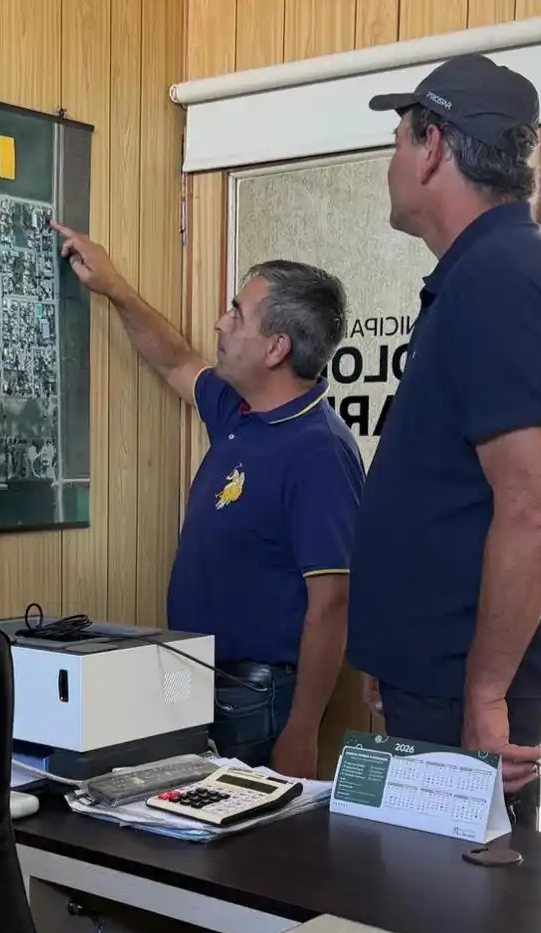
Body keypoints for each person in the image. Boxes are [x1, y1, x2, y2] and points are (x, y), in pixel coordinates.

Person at [348, 54, 541, 828]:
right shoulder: (484, 273)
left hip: (467, 684)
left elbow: (537, 509)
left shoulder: (497, 281)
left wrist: (484, 693)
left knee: (443, 915)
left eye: (399, 138)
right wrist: (395, 657)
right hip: (438, 673)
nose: (392, 160)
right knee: (421, 896)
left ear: (432, 145)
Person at [50, 221, 364, 779]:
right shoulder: (239, 413)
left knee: (246, 857)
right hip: (199, 680)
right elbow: (175, 361)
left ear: (276, 348)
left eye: (237, 314)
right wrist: (115, 286)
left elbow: (332, 603)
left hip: (258, 698)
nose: (221, 323)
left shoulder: (318, 451)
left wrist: (302, 730)